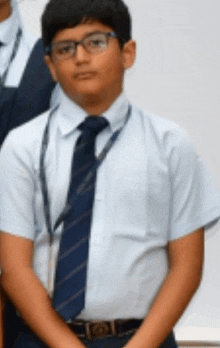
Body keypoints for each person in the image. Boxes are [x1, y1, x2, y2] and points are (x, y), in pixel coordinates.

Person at [0, 0, 220, 348]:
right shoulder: (21, 147)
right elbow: (14, 269)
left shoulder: (169, 144)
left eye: (96, 42)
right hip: (44, 340)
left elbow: (186, 267)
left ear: (127, 53)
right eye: (65, 48)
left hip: (144, 338)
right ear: (50, 66)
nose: (81, 58)